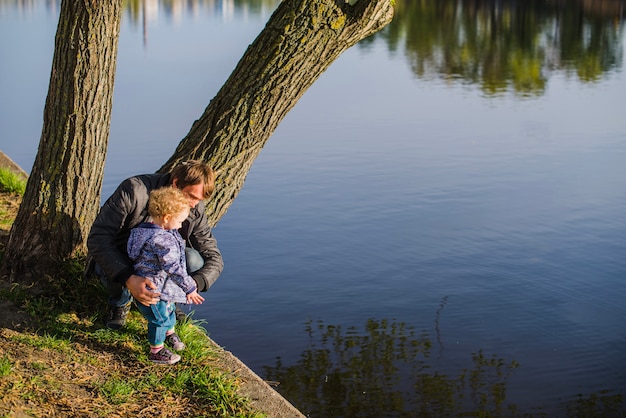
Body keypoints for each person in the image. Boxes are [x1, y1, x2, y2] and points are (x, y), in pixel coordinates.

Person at [87, 160, 224, 329]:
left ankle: (169, 301)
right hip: (124, 258)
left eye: (199, 200)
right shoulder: (134, 190)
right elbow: (98, 238)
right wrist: (129, 278)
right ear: (175, 184)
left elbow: (213, 254)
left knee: (194, 260)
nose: (194, 205)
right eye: (192, 197)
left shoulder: (195, 207)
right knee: (115, 263)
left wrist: (193, 284)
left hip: (157, 264)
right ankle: (121, 302)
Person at [127, 186, 205, 364]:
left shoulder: (143, 231)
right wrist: (190, 287)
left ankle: (170, 334)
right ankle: (156, 350)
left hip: (158, 285)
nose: (180, 225)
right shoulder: (162, 240)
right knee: (160, 318)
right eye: (179, 221)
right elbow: (173, 267)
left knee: (169, 311)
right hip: (155, 289)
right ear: (167, 218)